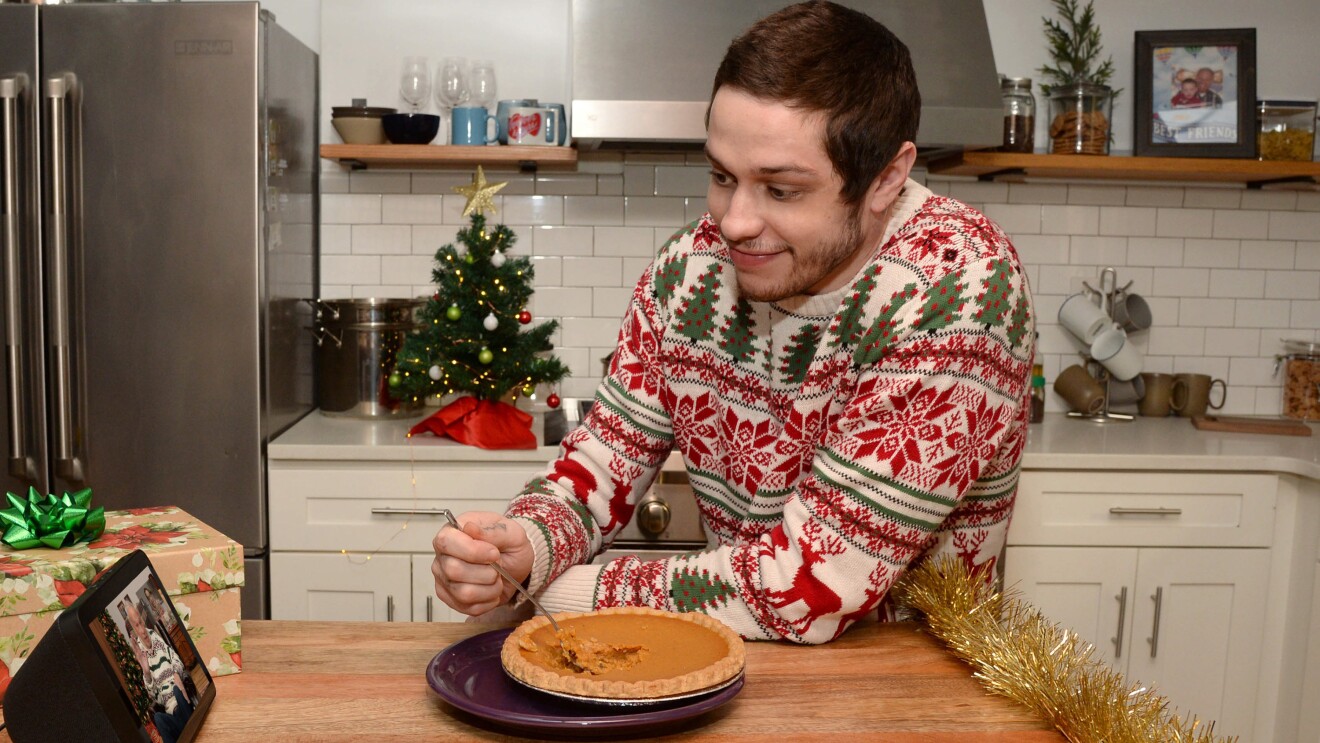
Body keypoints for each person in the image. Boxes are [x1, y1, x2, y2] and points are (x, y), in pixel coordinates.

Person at [432, 0, 1035, 645]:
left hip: (909, 683)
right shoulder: (687, 272)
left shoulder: (961, 290)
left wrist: (560, 594)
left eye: (781, 190)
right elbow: (598, 468)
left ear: (887, 176)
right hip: (730, 660)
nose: (734, 222)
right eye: (722, 175)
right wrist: (524, 549)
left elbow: (810, 586)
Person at [125, 599, 194, 743]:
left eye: (141, 622)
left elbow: (176, 659)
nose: (142, 630)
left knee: (176, 691)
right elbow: (155, 697)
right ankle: (192, 728)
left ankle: (192, 729)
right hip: (172, 713)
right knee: (158, 718)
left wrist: (176, 674)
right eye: (137, 626)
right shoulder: (140, 655)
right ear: (133, 629)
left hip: (181, 697)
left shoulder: (155, 636)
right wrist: (147, 673)